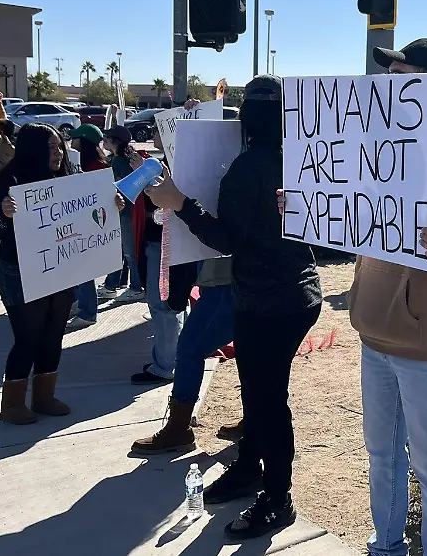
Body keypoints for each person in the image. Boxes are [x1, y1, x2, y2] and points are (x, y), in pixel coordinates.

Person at [141, 75, 322, 539]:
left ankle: (278, 499)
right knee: (258, 393)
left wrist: (180, 203)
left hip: (267, 301)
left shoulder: (249, 167)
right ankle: (249, 470)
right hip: (297, 295)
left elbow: (227, 240)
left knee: (265, 398)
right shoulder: (301, 160)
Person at [341, 38, 427, 556]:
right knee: (381, 453)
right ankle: (387, 547)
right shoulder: (376, 138)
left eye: (400, 74)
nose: (387, 84)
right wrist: (308, 204)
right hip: (373, 327)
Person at [0, 122, 76, 425]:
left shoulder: (67, 179)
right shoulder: (11, 179)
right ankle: (12, 404)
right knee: (29, 337)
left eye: (59, 146)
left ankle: (44, 396)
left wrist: (110, 205)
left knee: (53, 335)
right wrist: (4, 213)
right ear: (33, 149)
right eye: (50, 147)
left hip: (60, 267)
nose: (57, 152)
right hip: (18, 270)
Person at [131, 255, 236, 454]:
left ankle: (179, 428)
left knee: (190, 348)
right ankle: (255, 421)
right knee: (249, 349)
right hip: (228, 274)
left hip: (227, 276)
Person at [128, 125, 185, 385]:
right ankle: (170, 359)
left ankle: (166, 365)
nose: (153, 134)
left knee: (163, 305)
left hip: (164, 244)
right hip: (162, 242)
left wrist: (145, 173)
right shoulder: (165, 163)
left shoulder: (173, 165)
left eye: (159, 129)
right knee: (168, 305)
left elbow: (166, 199)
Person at [64, 124, 110, 331]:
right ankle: (79, 302)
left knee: (84, 269)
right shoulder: (89, 163)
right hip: (79, 222)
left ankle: (88, 311)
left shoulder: (96, 167)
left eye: (74, 139)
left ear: (82, 141)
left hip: (88, 225)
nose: (71, 142)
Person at [98, 126, 145, 303]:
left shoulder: (123, 161)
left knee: (130, 252)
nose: (104, 140)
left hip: (127, 213)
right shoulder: (118, 159)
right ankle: (116, 283)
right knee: (121, 250)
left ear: (115, 141)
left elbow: (126, 187)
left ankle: (136, 287)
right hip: (121, 212)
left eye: (107, 137)